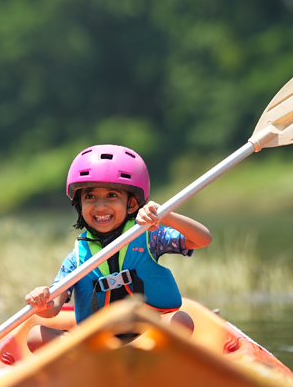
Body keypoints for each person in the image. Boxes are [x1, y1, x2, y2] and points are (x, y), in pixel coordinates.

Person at [25, 144, 211, 351]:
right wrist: (42, 300)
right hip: (98, 343)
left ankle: (130, 354)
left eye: (112, 195)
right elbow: (53, 309)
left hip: (147, 336)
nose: (100, 206)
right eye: (90, 197)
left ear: (131, 204)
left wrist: (167, 217)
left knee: (181, 320)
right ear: (79, 204)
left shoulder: (149, 237)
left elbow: (202, 239)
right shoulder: (75, 260)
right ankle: (106, 356)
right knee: (35, 336)